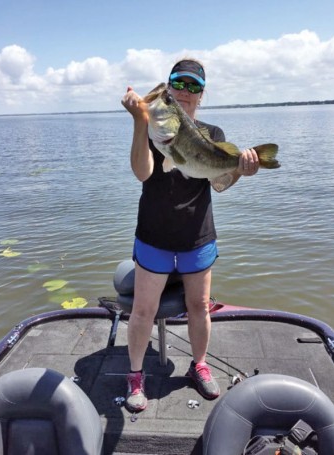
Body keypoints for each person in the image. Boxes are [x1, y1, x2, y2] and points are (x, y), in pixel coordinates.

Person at [121, 58, 259, 412]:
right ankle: (135, 375)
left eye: (193, 87)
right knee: (142, 311)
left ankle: (199, 364)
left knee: (199, 306)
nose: (184, 92)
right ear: (168, 86)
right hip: (153, 236)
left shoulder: (213, 135)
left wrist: (241, 170)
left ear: (202, 95)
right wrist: (140, 122)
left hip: (198, 236)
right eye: (177, 85)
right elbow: (142, 172)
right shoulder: (155, 127)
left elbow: (220, 183)